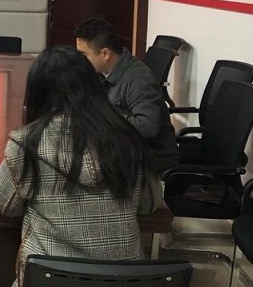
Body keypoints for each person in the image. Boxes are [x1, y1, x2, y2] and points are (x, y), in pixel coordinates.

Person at [0, 46, 163, 287]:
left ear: (37, 93)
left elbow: (2, 203)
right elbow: (150, 203)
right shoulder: (128, 137)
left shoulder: (27, 143)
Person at [74, 18, 179, 173]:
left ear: (105, 53)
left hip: (149, 160)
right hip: (123, 150)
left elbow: (148, 127)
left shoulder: (138, 79)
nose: (80, 61)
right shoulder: (103, 72)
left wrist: (104, 116)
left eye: (84, 55)